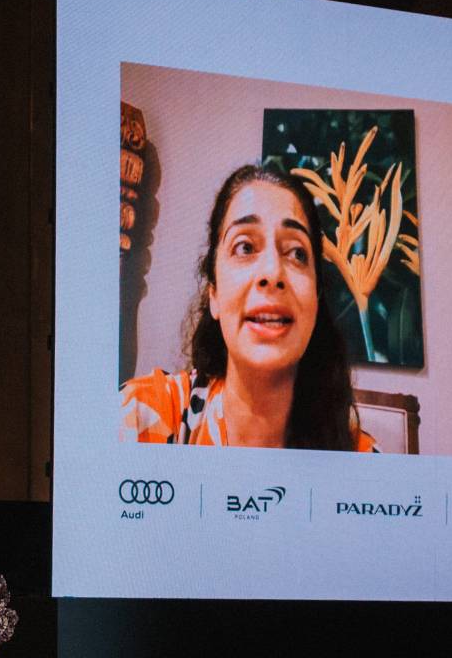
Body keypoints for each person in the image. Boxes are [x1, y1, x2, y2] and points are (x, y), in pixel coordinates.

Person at [121, 163, 374, 451]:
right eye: (245, 247)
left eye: (297, 253)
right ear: (213, 294)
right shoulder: (144, 418)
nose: (272, 272)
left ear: (316, 300)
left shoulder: (359, 458)